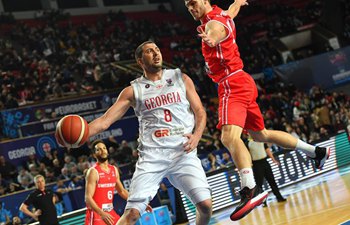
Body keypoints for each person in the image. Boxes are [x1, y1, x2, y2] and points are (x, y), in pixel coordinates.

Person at [184, 0, 331, 221]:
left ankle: (249, 188)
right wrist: (237, 3)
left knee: (228, 137)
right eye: (187, 5)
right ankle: (315, 152)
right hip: (243, 80)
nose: (191, 8)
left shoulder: (212, 25)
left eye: (193, 2)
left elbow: (216, 31)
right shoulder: (221, 14)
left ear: (205, 0)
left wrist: (211, 38)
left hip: (231, 84)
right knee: (259, 135)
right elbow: (230, 14)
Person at [87, 41, 212, 225]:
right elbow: (105, 121)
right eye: (149, 51)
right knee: (132, 215)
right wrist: (81, 133)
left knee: (206, 206)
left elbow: (200, 111)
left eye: (157, 50)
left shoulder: (180, 78)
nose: (155, 53)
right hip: (153, 157)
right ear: (140, 61)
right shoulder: (133, 90)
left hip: (182, 152)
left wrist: (197, 136)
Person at [84, 139, 131, 225]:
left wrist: (139, 202)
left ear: (107, 151)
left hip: (110, 212)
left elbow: (122, 191)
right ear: (94, 155)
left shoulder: (114, 169)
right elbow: (88, 198)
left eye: (104, 148)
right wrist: (101, 213)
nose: (102, 151)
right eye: (98, 149)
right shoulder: (93, 171)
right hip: (96, 214)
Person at [246, 136, 286, 207]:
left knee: (272, 181)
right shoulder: (248, 143)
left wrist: (273, 159)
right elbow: (248, 155)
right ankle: (263, 201)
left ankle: (279, 197)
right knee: (259, 184)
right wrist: (249, 164)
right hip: (256, 164)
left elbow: (267, 149)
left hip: (265, 162)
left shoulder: (261, 139)